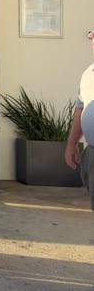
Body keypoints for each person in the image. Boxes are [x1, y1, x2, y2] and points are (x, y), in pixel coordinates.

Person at [65, 30, 94, 211]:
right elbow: (80, 109)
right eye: (92, 36)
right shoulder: (88, 73)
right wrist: (72, 143)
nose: (92, 39)